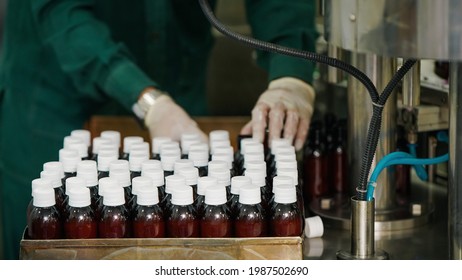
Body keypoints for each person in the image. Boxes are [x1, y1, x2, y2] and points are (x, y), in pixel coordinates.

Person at [0, 0, 317, 259]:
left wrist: (291, 73)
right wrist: (145, 99)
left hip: (177, 85)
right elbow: (60, 11)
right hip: (55, 102)